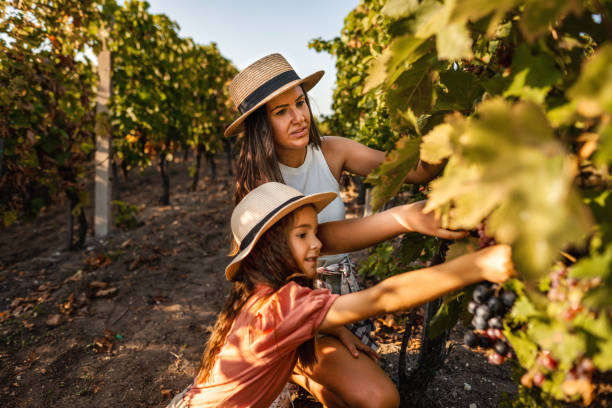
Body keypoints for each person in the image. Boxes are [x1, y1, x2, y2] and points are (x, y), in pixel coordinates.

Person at [224, 53, 467, 404]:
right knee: (377, 398)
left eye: (300, 102)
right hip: (292, 301)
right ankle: (290, 363)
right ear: (261, 125)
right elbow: (317, 240)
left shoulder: (331, 150)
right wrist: (402, 218)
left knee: (347, 400)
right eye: (281, 112)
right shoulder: (260, 185)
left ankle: (303, 374)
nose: (298, 117)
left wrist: (457, 131)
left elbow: (412, 171)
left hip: (340, 289)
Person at [166, 182, 515, 408]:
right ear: (266, 250)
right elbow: (382, 298)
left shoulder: (257, 295)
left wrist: (338, 329)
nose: (318, 243)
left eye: (314, 232)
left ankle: (296, 377)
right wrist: (476, 267)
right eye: (303, 235)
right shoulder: (283, 306)